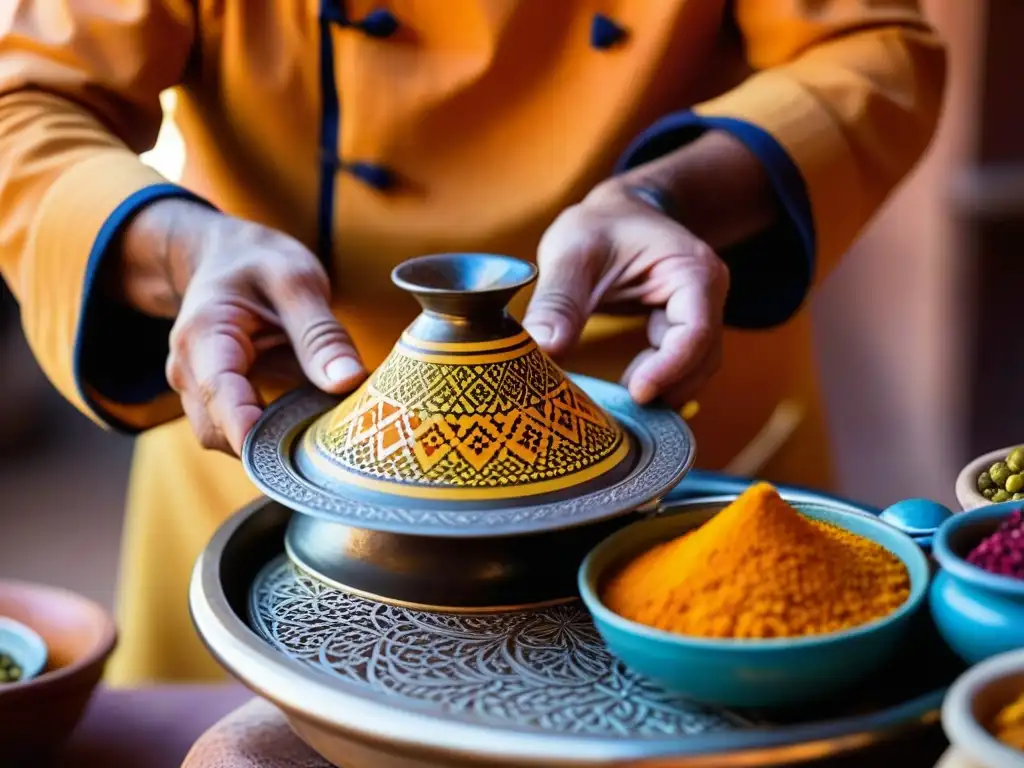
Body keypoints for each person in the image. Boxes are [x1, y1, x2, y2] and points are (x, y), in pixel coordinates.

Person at [0, 1, 946, 685]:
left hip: (655, 425)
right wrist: (180, 245)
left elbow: (875, 49)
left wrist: (671, 195)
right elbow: (23, 100)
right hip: (271, 402)